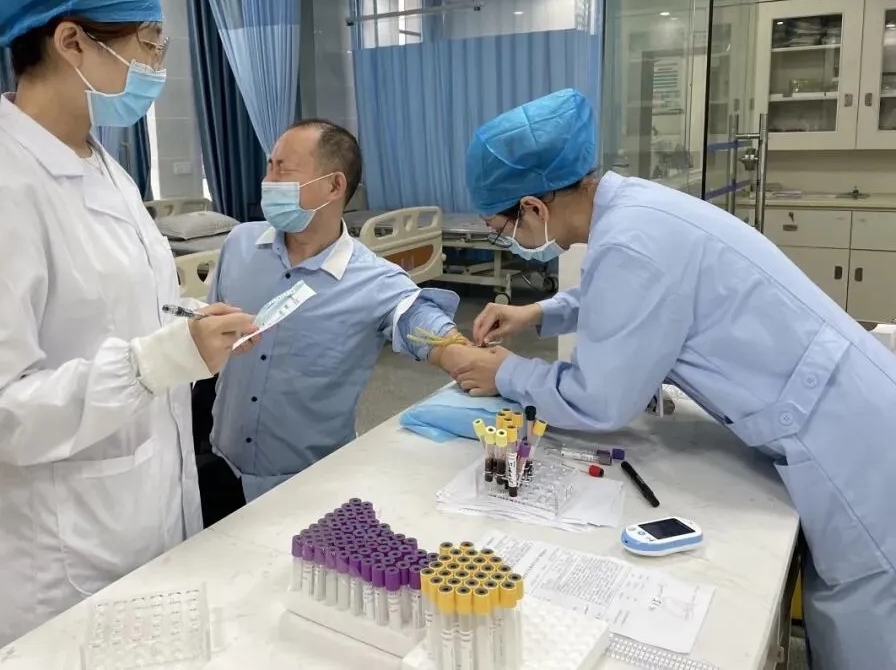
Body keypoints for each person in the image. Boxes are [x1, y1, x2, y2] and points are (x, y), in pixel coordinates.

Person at [449, 87, 896, 670]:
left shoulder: (632, 242)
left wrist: (507, 371)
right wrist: (539, 312)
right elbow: (626, 293)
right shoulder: (632, 207)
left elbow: (599, 400)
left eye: (501, 228)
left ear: (533, 208)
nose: (509, 242)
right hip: (851, 405)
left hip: (849, 443)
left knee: (861, 618)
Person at [0, 0, 256, 653]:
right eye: (148, 40)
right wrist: (158, 361)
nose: (157, 61)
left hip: (147, 505)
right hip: (62, 550)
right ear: (72, 42)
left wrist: (189, 323)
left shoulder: (106, 168)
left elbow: (113, 309)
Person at [197, 120, 471, 523]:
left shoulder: (372, 280)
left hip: (309, 484)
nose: (268, 181)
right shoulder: (239, 245)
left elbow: (419, 319)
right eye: (269, 166)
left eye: (283, 169)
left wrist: (461, 355)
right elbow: (205, 334)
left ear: (334, 185)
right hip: (221, 467)